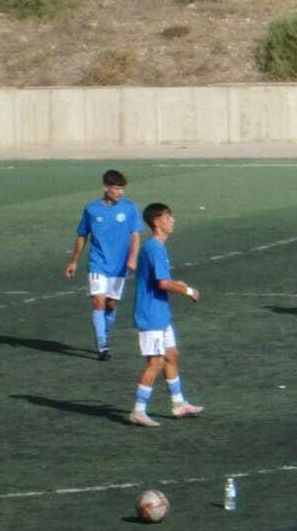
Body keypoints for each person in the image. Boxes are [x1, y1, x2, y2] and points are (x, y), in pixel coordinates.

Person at [128, 203, 203, 428]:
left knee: (172, 355)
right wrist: (188, 290)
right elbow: (162, 283)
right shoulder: (154, 248)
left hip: (160, 313)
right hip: (151, 315)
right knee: (155, 362)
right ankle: (138, 411)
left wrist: (176, 283)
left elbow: (161, 281)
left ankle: (178, 404)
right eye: (168, 217)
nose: (173, 220)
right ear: (156, 222)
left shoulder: (156, 247)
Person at [62, 169, 143, 360]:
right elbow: (82, 236)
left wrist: (132, 258)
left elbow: (135, 236)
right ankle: (102, 345)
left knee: (112, 304)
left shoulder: (130, 208)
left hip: (119, 265)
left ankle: (104, 335)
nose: (120, 193)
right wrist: (73, 261)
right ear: (106, 188)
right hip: (97, 263)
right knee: (98, 301)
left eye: (122, 189)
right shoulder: (91, 209)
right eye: (117, 188)